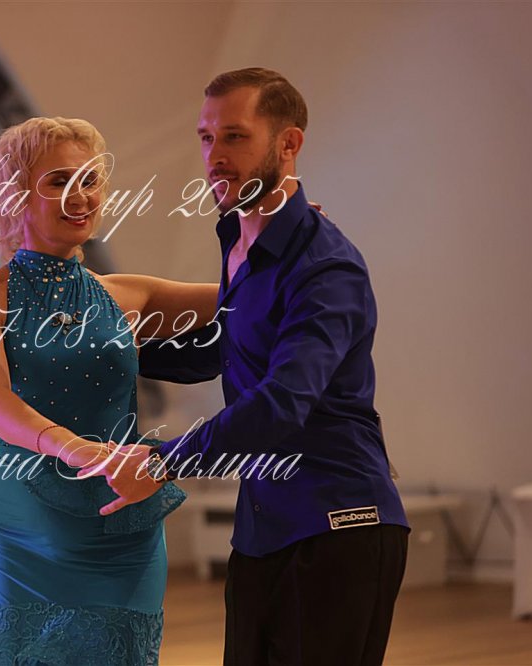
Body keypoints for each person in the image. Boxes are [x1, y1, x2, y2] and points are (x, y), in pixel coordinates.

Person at [88, 68, 411, 666]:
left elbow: (281, 404)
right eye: (206, 138)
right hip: (263, 530)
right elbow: (223, 351)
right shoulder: (239, 242)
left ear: (289, 143)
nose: (215, 156)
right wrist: (107, 353)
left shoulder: (326, 266)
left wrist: (161, 461)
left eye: (235, 136)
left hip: (338, 524)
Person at [0, 117, 220, 665]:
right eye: (58, 181)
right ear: (16, 195)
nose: (80, 196)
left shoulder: (130, 294)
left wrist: (281, 236)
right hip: (33, 524)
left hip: (124, 518)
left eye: (90, 180)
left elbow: (253, 292)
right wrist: (77, 450)